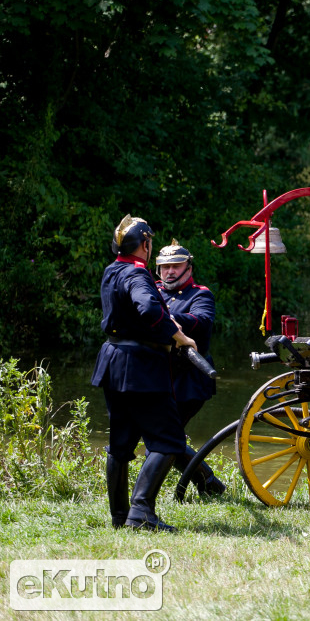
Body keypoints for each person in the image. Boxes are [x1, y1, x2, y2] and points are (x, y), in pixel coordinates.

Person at [91, 215, 197, 532]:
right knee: (169, 440)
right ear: (146, 245)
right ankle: (141, 513)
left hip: (112, 361)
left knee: (121, 443)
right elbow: (149, 309)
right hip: (141, 367)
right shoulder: (138, 274)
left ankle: (119, 517)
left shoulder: (112, 270)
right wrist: (177, 335)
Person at [155, 240, 225, 496]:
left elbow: (202, 322)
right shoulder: (153, 291)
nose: (170, 271)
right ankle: (208, 483)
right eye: (165, 267)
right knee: (163, 434)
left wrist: (168, 320)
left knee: (165, 435)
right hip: (158, 376)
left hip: (189, 380)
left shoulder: (201, 294)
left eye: (176, 265)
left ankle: (206, 482)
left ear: (188, 267)